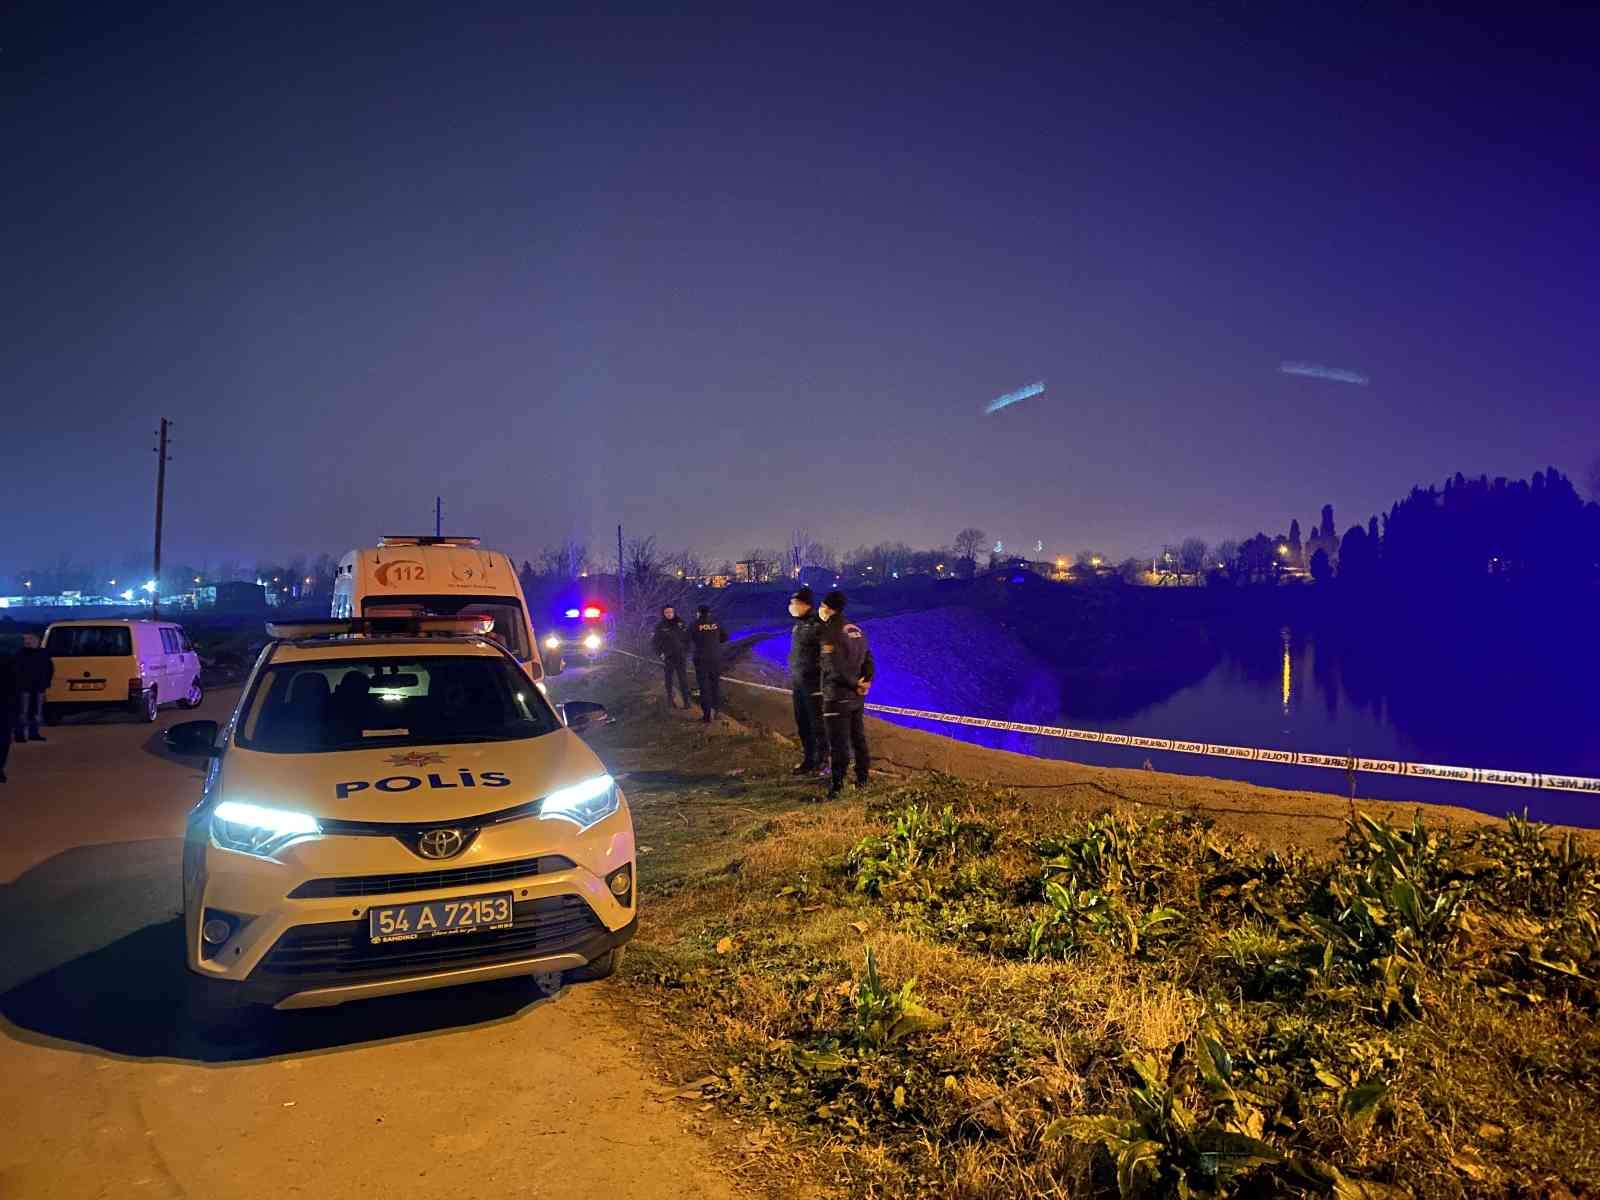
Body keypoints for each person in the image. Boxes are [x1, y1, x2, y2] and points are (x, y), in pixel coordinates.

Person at [817, 590, 874, 799]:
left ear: (828, 608)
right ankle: (863, 780)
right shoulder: (856, 629)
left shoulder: (830, 632)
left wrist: (852, 683)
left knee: (838, 742)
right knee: (858, 738)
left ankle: (837, 787)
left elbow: (833, 667)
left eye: (821, 606)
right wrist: (865, 682)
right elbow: (868, 659)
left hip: (837, 694)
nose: (820, 610)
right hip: (857, 696)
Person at [787, 586, 828, 775]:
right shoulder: (797, 626)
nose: (792, 606)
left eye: (795, 603)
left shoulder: (817, 626)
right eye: (792, 602)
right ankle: (808, 760)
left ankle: (823, 762)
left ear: (806, 605)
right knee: (802, 723)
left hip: (814, 684)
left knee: (817, 724)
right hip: (799, 683)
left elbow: (826, 655)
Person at [688, 604, 728, 722]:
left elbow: (687, 639)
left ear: (698, 613)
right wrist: (714, 643)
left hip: (701, 659)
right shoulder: (716, 623)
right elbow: (725, 637)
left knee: (704, 687)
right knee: (715, 685)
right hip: (715, 658)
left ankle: (707, 716)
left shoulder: (694, 624)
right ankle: (716, 712)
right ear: (709, 613)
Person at [14, 633, 53, 743]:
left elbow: (49, 669)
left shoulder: (44, 653)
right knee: (23, 711)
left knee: (36, 712)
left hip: (39, 687)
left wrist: (46, 683)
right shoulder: (20, 654)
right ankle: (19, 734)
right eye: (25, 639)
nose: (27, 641)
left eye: (30, 638)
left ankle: (34, 733)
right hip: (24, 688)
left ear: (38, 640)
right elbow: (15, 670)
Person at [650, 605, 691, 709]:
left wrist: (686, 651)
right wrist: (660, 654)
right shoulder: (660, 626)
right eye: (667, 612)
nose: (669, 614)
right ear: (664, 614)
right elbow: (655, 642)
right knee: (669, 679)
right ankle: (670, 700)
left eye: (671, 612)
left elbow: (688, 639)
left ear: (674, 612)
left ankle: (686, 702)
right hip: (668, 657)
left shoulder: (681, 623)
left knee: (683, 680)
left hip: (681, 656)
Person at [0, 651, 18, 784]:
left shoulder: (7, 660)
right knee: (3, 739)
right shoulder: (7, 659)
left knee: (3, 738)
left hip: (5, 705)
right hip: (5, 706)